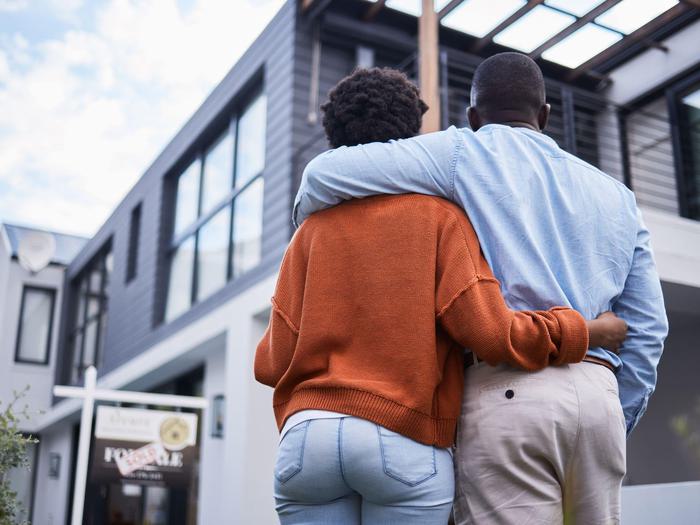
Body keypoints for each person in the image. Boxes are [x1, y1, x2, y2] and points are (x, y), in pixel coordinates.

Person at [294, 53, 669, 525]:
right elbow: (648, 327)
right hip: (599, 397)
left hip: (506, 389)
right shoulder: (617, 195)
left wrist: (308, 227)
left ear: (473, 116)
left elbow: (323, 175)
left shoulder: (459, 152)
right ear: (545, 114)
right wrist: (616, 409)